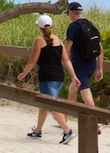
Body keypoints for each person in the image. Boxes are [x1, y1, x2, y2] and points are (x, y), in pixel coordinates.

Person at [17, 14, 80, 144]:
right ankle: (38, 130)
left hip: (47, 76)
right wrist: (73, 76)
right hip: (59, 76)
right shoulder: (58, 40)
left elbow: (32, 61)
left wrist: (23, 74)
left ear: (39, 27)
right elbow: (66, 60)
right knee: (44, 104)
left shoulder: (39, 40)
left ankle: (67, 130)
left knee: (51, 105)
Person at [64, 2, 104, 119]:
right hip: (91, 65)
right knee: (72, 89)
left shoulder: (73, 27)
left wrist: (62, 62)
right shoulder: (91, 25)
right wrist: (100, 68)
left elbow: (67, 49)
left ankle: (96, 124)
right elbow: (101, 50)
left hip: (80, 68)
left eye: (68, 13)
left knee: (86, 96)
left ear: (71, 13)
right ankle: (65, 118)